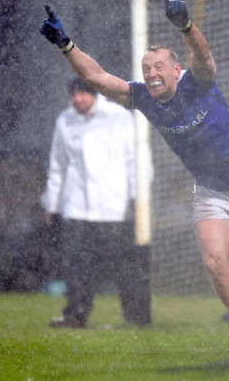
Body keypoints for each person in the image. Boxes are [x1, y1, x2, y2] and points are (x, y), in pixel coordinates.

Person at [39, 0, 229, 359]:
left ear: (176, 70)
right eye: (146, 68)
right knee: (215, 263)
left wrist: (185, 25)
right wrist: (66, 45)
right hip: (211, 191)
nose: (151, 73)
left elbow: (203, 54)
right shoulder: (144, 98)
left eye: (158, 67)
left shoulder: (197, 82)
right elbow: (99, 77)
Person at [41, 77, 153, 328]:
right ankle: (75, 313)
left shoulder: (119, 118)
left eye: (83, 94)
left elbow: (137, 160)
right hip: (77, 206)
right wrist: (52, 204)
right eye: (74, 94)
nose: (78, 99)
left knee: (125, 267)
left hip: (116, 207)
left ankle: (136, 317)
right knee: (76, 265)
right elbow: (57, 166)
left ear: (95, 94)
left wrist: (139, 198)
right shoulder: (65, 121)